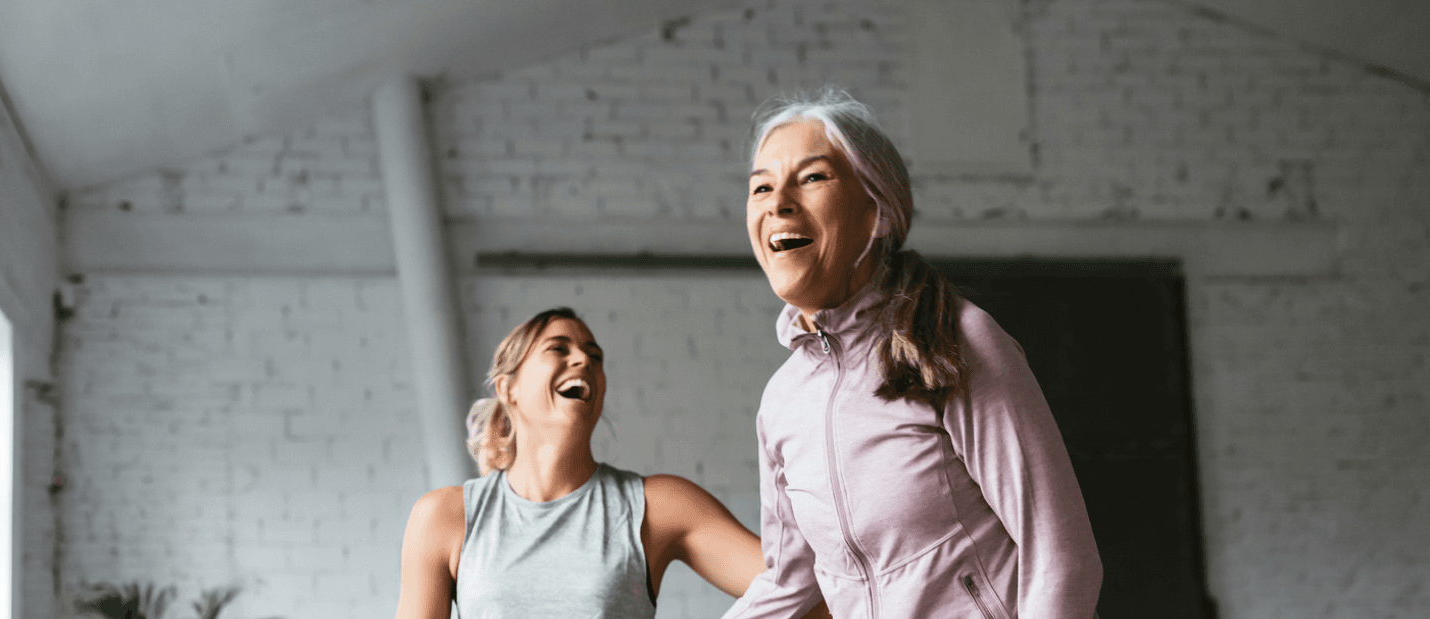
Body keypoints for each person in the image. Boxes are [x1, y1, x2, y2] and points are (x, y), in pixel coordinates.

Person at [722, 88, 1102, 619]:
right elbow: (789, 585)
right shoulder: (782, 401)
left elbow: (1062, 557)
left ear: (876, 212)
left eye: (812, 177)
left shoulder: (958, 340)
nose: (778, 202)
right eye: (760, 187)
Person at [396, 308, 830, 619]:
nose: (584, 360)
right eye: (558, 348)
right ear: (508, 389)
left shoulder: (659, 506)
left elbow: (811, 596)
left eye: (594, 355)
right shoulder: (444, 518)